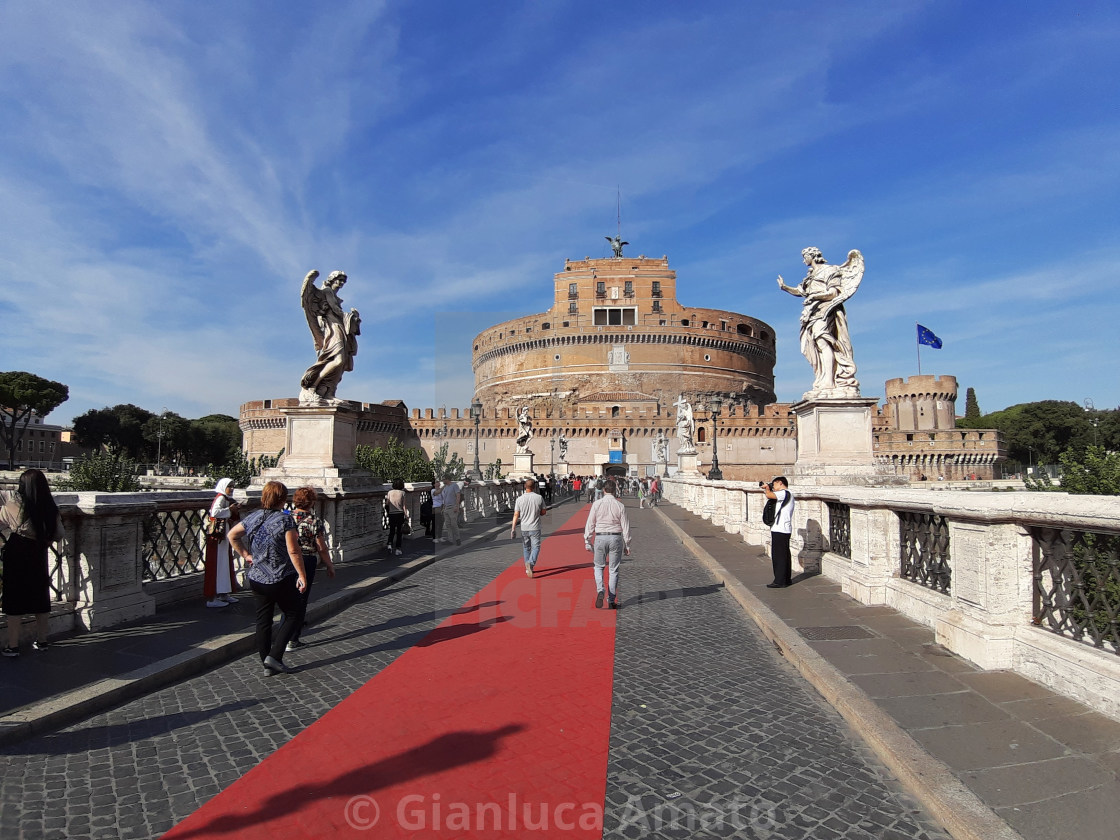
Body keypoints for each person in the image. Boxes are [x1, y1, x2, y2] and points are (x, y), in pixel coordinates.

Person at [228, 481, 308, 676]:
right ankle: (275, 656)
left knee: (263, 620)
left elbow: (232, 535)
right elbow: (293, 550)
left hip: (257, 577)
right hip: (279, 576)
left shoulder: (253, 517)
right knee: (294, 613)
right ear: (282, 499)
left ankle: (266, 663)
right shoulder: (285, 520)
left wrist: (246, 555)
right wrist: (302, 574)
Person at [1, 469, 65, 657]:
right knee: (40, 595)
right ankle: (42, 640)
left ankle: (13, 646)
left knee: (14, 598)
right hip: (38, 553)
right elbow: (60, 534)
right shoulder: (50, 508)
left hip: (17, 552)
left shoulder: (15, 503)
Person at [281, 487, 336, 650]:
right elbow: (321, 547)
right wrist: (329, 564)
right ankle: (293, 638)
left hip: (288, 560)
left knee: (287, 598)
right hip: (306, 560)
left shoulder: (285, 518)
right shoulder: (314, 521)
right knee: (301, 599)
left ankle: (282, 634)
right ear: (311, 502)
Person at [583, 479, 631, 609]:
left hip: (600, 537)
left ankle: (601, 589)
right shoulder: (620, 506)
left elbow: (590, 523)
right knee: (613, 570)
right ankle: (611, 600)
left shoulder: (597, 504)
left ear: (603, 490)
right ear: (615, 490)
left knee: (598, 567)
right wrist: (627, 544)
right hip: (615, 537)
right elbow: (625, 526)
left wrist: (587, 540)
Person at [203, 478, 241, 608]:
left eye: (232, 486)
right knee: (218, 564)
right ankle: (214, 596)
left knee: (224, 563)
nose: (232, 489)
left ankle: (223, 593)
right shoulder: (220, 498)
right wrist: (230, 510)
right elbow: (215, 513)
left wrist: (232, 510)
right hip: (218, 536)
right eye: (229, 486)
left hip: (223, 535)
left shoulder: (224, 498)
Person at [762, 476, 795, 588]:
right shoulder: (788, 494)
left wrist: (767, 488)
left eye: (774, 484)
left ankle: (779, 581)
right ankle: (786, 579)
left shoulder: (784, 492)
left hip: (780, 529)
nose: (773, 487)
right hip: (784, 529)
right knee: (785, 555)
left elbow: (769, 495)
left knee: (778, 556)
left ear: (780, 483)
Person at [510, 478, 547, 578]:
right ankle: (531, 563)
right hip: (535, 527)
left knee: (526, 548)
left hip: (524, 528)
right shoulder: (539, 498)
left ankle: (528, 568)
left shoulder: (519, 499)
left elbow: (516, 514)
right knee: (536, 547)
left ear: (525, 487)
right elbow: (544, 512)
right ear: (534, 487)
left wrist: (513, 529)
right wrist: (537, 512)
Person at [385, 478, 407, 556]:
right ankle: (398, 548)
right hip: (400, 513)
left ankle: (389, 544)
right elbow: (404, 506)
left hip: (392, 513)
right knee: (399, 532)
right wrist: (406, 515)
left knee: (392, 530)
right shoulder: (402, 493)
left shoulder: (390, 492)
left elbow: (387, 503)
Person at [441, 477, 462, 546]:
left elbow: (458, 496)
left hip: (453, 507)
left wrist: (456, 506)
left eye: (444, 479)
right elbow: (445, 498)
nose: (443, 481)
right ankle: (450, 540)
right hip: (446, 508)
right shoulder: (445, 487)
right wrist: (443, 507)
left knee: (453, 524)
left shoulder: (454, 486)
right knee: (448, 525)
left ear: (447, 479)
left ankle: (458, 538)